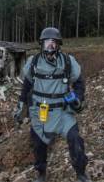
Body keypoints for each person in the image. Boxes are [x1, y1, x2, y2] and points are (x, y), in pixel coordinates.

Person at [13, 27, 91, 182]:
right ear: (41, 44)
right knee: (39, 144)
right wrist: (21, 105)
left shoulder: (68, 62)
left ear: (59, 45)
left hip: (63, 112)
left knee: (75, 139)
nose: (50, 46)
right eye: (47, 43)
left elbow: (79, 83)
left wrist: (78, 98)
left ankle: (81, 173)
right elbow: (27, 86)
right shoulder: (33, 63)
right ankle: (41, 173)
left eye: (53, 43)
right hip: (40, 112)